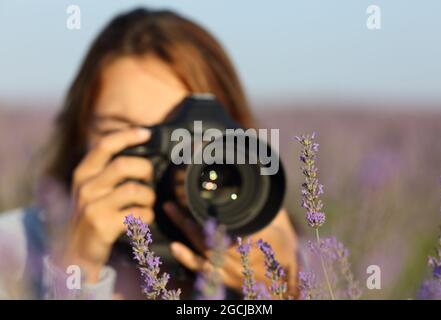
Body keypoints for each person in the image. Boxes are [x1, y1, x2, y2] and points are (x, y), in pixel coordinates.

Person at [0, 8, 298, 299]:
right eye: (128, 134)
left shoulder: (272, 253)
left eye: (190, 140)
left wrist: (279, 289)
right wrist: (75, 271)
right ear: (80, 132)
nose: (165, 163)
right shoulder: (13, 248)